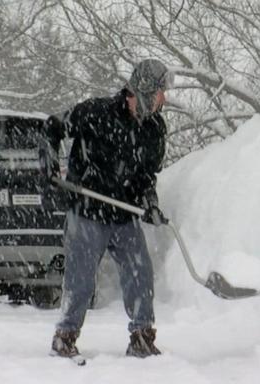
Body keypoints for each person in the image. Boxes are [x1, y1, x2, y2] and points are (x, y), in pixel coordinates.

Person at [39, 59, 173, 360]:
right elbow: (52, 127)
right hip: (86, 211)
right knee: (81, 281)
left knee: (141, 275)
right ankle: (65, 337)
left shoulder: (154, 129)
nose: (164, 99)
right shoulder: (95, 113)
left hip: (123, 215)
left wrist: (150, 204)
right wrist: (49, 165)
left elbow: (145, 177)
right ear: (143, 90)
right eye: (160, 92)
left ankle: (142, 337)